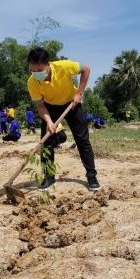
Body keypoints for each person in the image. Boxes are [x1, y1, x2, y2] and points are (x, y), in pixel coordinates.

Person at [27, 47, 100, 191]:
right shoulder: (32, 82)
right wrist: (49, 122)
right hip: (50, 107)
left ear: (48, 65)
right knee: (46, 143)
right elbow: (41, 106)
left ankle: (91, 176)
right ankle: (49, 177)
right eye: (33, 70)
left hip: (72, 104)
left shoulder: (64, 66)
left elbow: (86, 70)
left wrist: (79, 92)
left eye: (39, 70)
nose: (36, 74)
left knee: (82, 140)